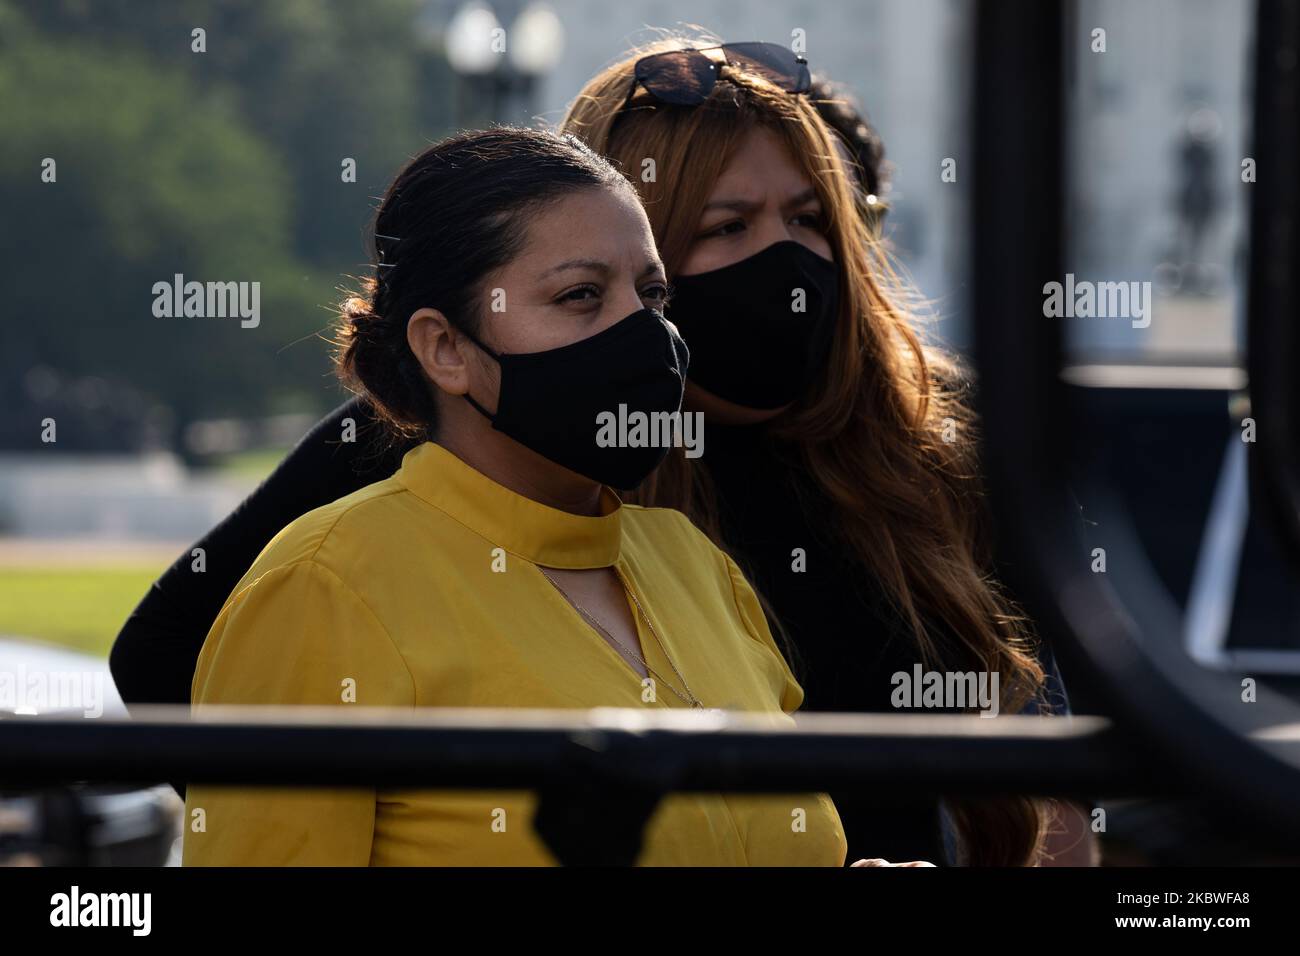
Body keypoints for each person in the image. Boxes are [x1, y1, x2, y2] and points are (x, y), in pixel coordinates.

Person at [115, 39, 1087, 866]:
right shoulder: (402, 485)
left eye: (807, 221)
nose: (787, 263)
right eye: (729, 226)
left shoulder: (905, 445)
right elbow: (179, 657)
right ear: (447, 351)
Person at [181, 127, 851, 866]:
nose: (644, 332)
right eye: (580, 295)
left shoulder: (692, 561)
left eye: (652, 294)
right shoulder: (324, 587)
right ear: (446, 348)